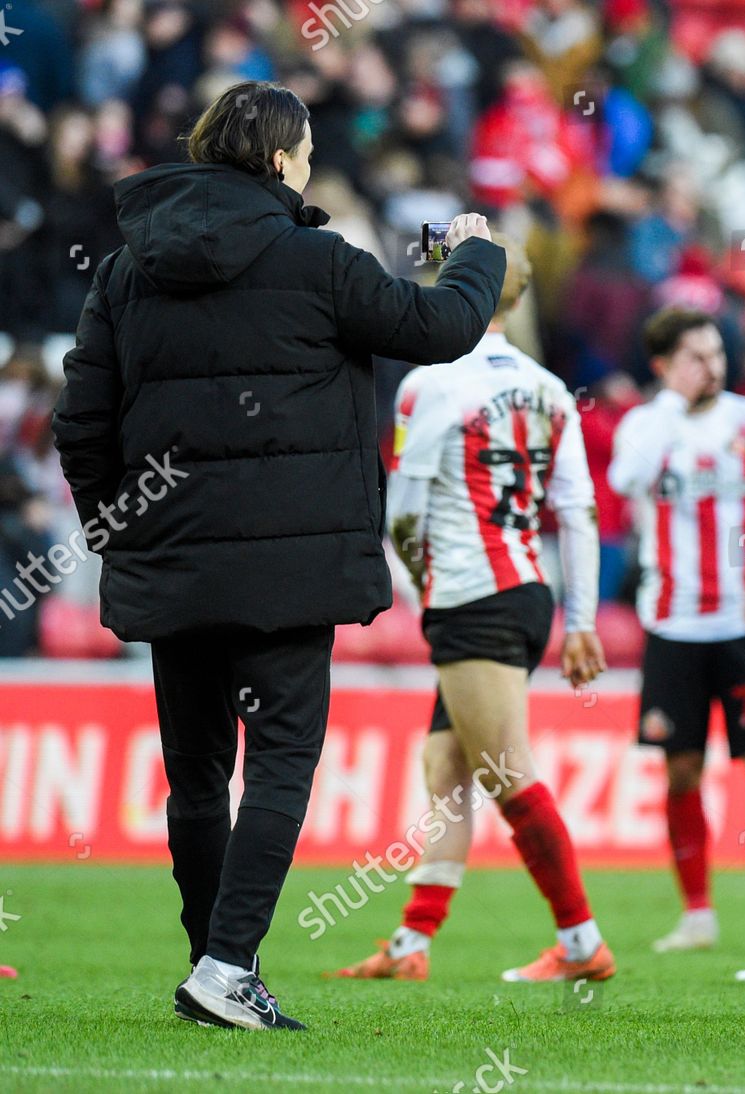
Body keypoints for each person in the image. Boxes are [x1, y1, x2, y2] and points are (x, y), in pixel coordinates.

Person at [51, 80, 506, 1030]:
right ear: (283, 158)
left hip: (174, 558)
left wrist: (119, 527)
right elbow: (442, 329)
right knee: (284, 762)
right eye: (303, 151)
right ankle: (224, 968)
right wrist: (476, 254)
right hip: (289, 569)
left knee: (198, 773)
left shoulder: (128, 269)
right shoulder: (318, 260)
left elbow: (80, 425)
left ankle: (211, 966)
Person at [330, 241, 614, 986]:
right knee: (446, 765)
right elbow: (577, 511)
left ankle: (582, 944)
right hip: (525, 589)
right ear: (518, 301)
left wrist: (425, 584)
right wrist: (581, 620)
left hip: (469, 595)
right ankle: (411, 943)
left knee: (504, 772)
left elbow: (405, 513)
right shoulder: (552, 389)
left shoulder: (430, 383)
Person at [607, 307, 745, 954]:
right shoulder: (645, 425)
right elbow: (623, 481)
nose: (713, 366)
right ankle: (697, 914)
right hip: (672, 624)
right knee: (682, 770)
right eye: (696, 356)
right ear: (665, 366)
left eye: (717, 352)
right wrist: (671, 406)